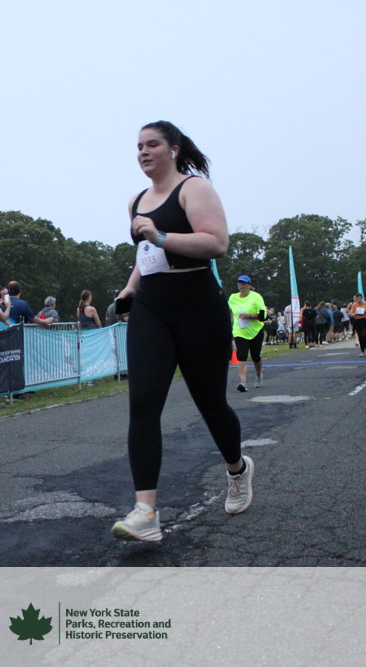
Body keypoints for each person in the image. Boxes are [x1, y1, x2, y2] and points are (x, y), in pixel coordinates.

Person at [110, 120, 251, 542]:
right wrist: (130, 288)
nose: (143, 151)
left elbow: (217, 243)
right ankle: (145, 512)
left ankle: (237, 469)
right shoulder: (136, 200)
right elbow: (145, 253)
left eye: (152, 144)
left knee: (211, 404)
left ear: (173, 149)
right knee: (142, 406)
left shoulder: (194, 189)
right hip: (152, 308)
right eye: (138, 145)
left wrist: (161, 235)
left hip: (198, 307)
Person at [228, 275, 267, 391]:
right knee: (241, 356)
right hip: (240, 332)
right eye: (239, 283)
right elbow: (227, 310)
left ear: (249, 285)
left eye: (244, 283)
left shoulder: (256, 297)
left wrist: (249, 316)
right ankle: (243, 382)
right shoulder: (233, 297)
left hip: (255, 331)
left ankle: (258, 375)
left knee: (256, 356)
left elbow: (263, 315)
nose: (241, 285)